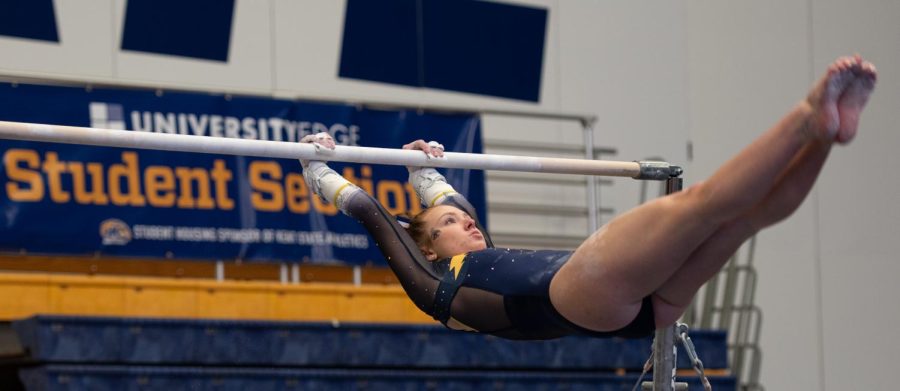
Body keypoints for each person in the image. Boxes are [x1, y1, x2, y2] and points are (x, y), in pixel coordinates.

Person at [299, 55, 876, 340]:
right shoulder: (433, 285)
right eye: (452, 221)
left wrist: (424, 169)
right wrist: (316, 168)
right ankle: (804, 118)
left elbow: (446, 198)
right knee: (700, 204)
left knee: (741, 222)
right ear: (427, 245)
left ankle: (826, 135)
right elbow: (375, 215)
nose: (469, 224)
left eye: (465, 216)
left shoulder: (476, 256)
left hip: (636, 310)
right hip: (584, 291)